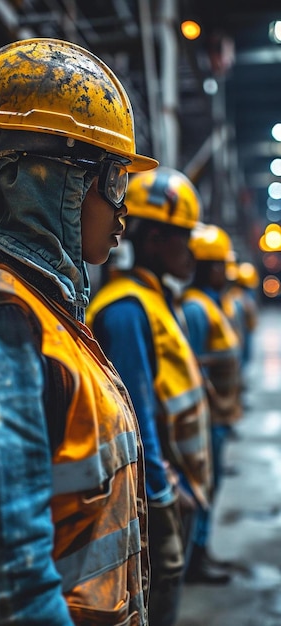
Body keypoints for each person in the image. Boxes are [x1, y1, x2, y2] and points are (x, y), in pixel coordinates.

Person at [0, 38, 160, 625]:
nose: (122, 211)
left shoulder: (46, 313)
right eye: (113, 182)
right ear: (48, 180)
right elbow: (15, 588)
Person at [86, 167, 212, 625]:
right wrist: (160, 493)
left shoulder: (154, 299)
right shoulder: (126, 309)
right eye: (183, 236)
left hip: (175, 482)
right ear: (156, 238)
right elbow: (137, 412)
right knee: (162, 585)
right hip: (157, 492)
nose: (192, 249)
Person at [182, 223, 242, 584]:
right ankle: (196, 558)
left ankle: (202, 551)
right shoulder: (195, 308)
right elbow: (192, 365)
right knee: (203, 490)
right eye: (219, 264)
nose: (225, 271)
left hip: (219, 415)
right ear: (206, 267)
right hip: (207, 417)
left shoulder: (210, 303)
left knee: (212, 487)